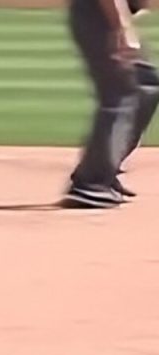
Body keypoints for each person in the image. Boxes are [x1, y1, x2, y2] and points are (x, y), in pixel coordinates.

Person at [63, 0, 158, 208]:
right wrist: (122, 27)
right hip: (100, 17)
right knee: (121, 94)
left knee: (146, 85)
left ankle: (101, 169)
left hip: (104, 17)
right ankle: (92, 183)